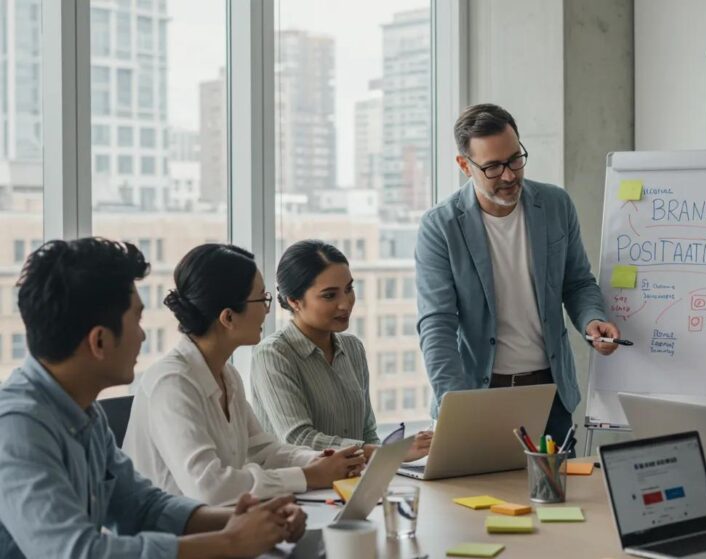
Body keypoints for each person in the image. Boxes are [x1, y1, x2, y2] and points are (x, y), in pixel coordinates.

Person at [0, 238, 306, 558]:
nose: (143, 335)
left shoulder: (83, 413)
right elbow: (79, 553)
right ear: (100, 341)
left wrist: (250, 522)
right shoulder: (18, 429)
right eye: (137, 319)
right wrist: (229, 542)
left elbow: (144, 507)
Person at [415, 103, 620, 446]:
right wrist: (458, 409)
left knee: (560, 499)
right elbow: (437, 326)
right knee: (482, 498)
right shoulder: (441, 226)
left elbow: (578, 282)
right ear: (465, 165)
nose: (509, 175)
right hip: (481, 395)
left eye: (514, 159)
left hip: (551, 395)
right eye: (493, 167)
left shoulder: (555, 205)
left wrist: (591, 320)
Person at [123, 244, 367, 507]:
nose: (267, 310)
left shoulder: (226, 374)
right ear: (228, 317)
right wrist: (306, 476)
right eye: (262, 300)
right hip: (174, 538)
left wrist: (321, 460)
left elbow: (263, 451)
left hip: (223, 525)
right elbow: (210, 487)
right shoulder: (172, 382)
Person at [251, 240, 431, 462]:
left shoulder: (353, 348)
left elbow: (367, 432)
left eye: (349, 289)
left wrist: (383, 468)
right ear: (294, 301)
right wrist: (388, 453)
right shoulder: (273, 355)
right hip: (299, 489)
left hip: (352, 484)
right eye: (329, 295)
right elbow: (299, 439)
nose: (345, 304)